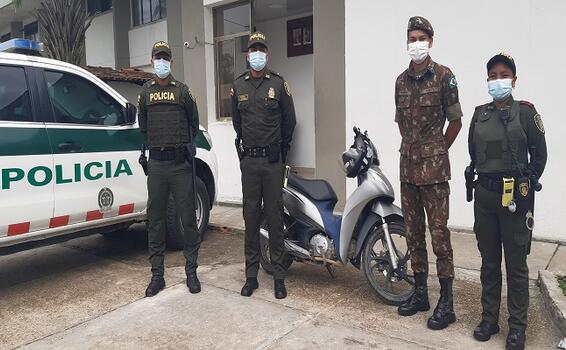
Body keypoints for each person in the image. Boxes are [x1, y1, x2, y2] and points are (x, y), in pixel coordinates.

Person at [468, 53, 547, 350]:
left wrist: (527, 184)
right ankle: (489, 319)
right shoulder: (479, 114)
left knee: (516, 266)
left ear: (513, 80)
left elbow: (540, 154)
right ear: (488, 80)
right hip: (485, 198)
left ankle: (517, 327)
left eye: (503, 74)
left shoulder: (526, 112)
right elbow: (474, 155)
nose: (497, 79)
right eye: (492, 75)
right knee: (489, 264)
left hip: (515, 197)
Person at [394, 16, 463, 330]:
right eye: (412, 38)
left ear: (430, 41)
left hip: (434, 174)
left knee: (440, 237)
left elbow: (456, 121)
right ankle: (420, 292)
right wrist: (416, 150)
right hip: (407, 170)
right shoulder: (400, 81)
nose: (416, 43)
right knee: (413, 235)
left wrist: (437, 150)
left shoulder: (445, 76)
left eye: (421, 38)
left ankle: (446, 302)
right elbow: (401, 124)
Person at [231, 32, 296, 299]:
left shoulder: (279, 85)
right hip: (250, 163)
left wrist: (279, 151)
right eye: (252, 50)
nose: (256, 54)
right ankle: (251, 276)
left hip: (271, 163)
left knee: (274, 217)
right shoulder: (239, 86)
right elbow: (237, 123)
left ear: (266, 55)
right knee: (250, 218)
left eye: (261, 50)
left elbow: (289, 122)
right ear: (247, 55)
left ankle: (279, 276)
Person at [138, 41, 202, 297]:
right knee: (155, 221)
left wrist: (185, 147)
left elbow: (193, 124)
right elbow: (143, 126)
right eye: (157, 58)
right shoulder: (145, 93)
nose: (161, 62)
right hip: (156, 165)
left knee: (188, 220)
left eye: (165, 58)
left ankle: (192, 272)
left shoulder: (183, 91)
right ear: (152, 61)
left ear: (171, 62)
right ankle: (157, 276)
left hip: (179, 165)